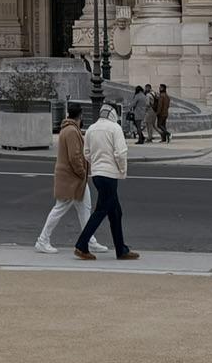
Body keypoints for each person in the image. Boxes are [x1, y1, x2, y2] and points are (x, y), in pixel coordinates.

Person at [36, 101, 104, 254]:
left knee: (84, 209)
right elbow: (75, 156)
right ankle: (42, 240)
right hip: (72, 179)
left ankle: (89, 240)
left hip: (74, 179)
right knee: (60, 208)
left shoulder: (67, 129)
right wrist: (82, 172)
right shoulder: (72, 131)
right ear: (80, 116)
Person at [73, 103, 138, 262]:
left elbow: (86, 153)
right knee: (101, 210)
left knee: (115, 212)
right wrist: (122, 170)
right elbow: (121, 153)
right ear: (113, 114)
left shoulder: (91, 129)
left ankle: (121, 249)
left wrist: (96, 163)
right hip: (110, 174)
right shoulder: (115, 128)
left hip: (97, 174)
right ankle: (81, 245)